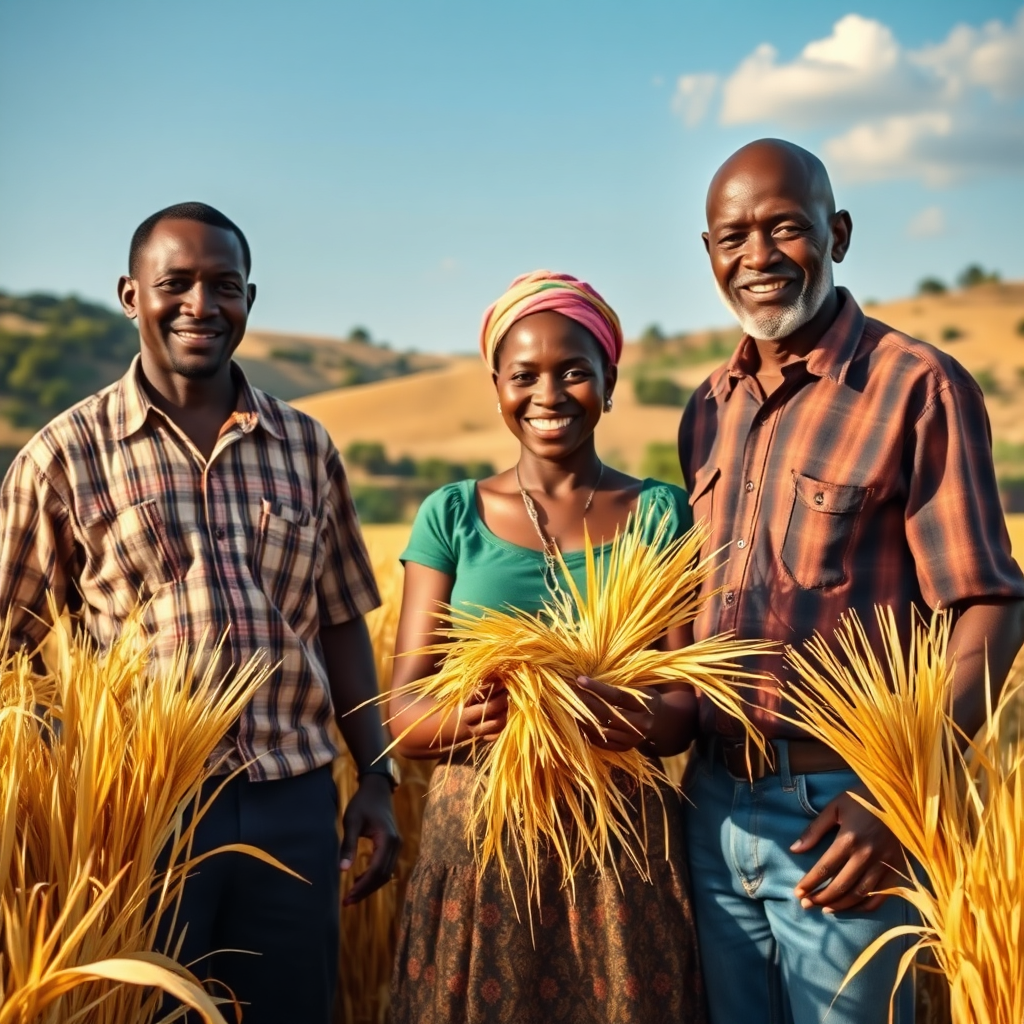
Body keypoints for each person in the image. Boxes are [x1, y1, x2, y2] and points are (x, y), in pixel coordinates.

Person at [0, 202, 401, 1024]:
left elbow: (341, 623)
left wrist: (378, 776)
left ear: (249, 298)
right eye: (174, 284)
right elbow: (10, 651)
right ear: (129, 294)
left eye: (223, 286)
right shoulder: (62, 456)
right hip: (141, 816)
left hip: (293, 798)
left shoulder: (306, 447)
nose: (200, 306)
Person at [677, 139, 1024, 1024]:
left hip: (844, 813)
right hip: (714, 803)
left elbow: (986, 603)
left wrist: (892, 793)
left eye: (785, 229)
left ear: (837, 232)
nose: (756, 258)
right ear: (709, 252)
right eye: (731, 238)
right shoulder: (707, 409)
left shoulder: (916, 386)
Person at [387, 270, 707, 1024]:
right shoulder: (452, 515)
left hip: (621, 844)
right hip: (480, 840)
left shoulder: (659, 512)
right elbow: (403, 707)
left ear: (610, 381)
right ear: (495, 386)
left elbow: (685, 709)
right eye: (523, 375)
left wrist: (617, 714)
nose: (549, 394)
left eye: (574, 372)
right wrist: (472, 718)